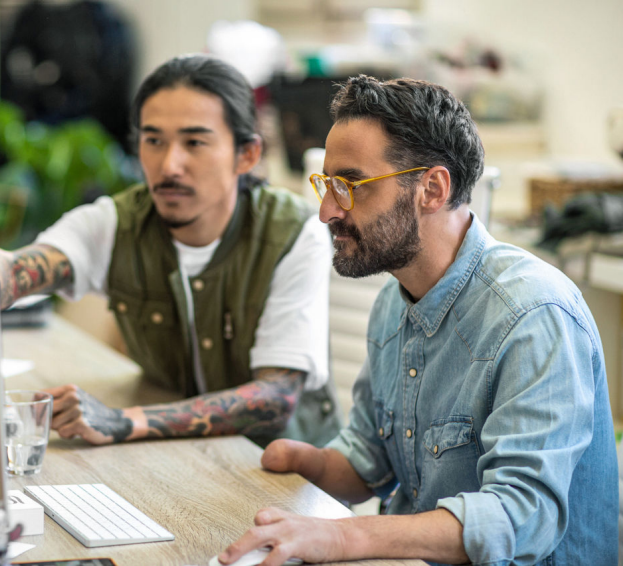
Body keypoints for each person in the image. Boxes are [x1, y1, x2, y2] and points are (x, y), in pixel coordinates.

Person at [218, 76, 618, 566]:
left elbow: (521, 516)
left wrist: (342, 538)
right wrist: (300, 462)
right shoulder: (395, 299)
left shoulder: (534, 316)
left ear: (432, 188)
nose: (326, 212)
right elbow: (368, 461)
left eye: (349, 186)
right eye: (326, 185)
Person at [0, 54, 342, 448]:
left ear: (247, 154)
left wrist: (122, 422)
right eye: (153, 141)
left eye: (194, 142)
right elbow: (17, 269)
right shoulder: (115, 223)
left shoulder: (294, 232)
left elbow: (275, 398)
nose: (169, 165)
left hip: (286, 471)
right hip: (176, 453)